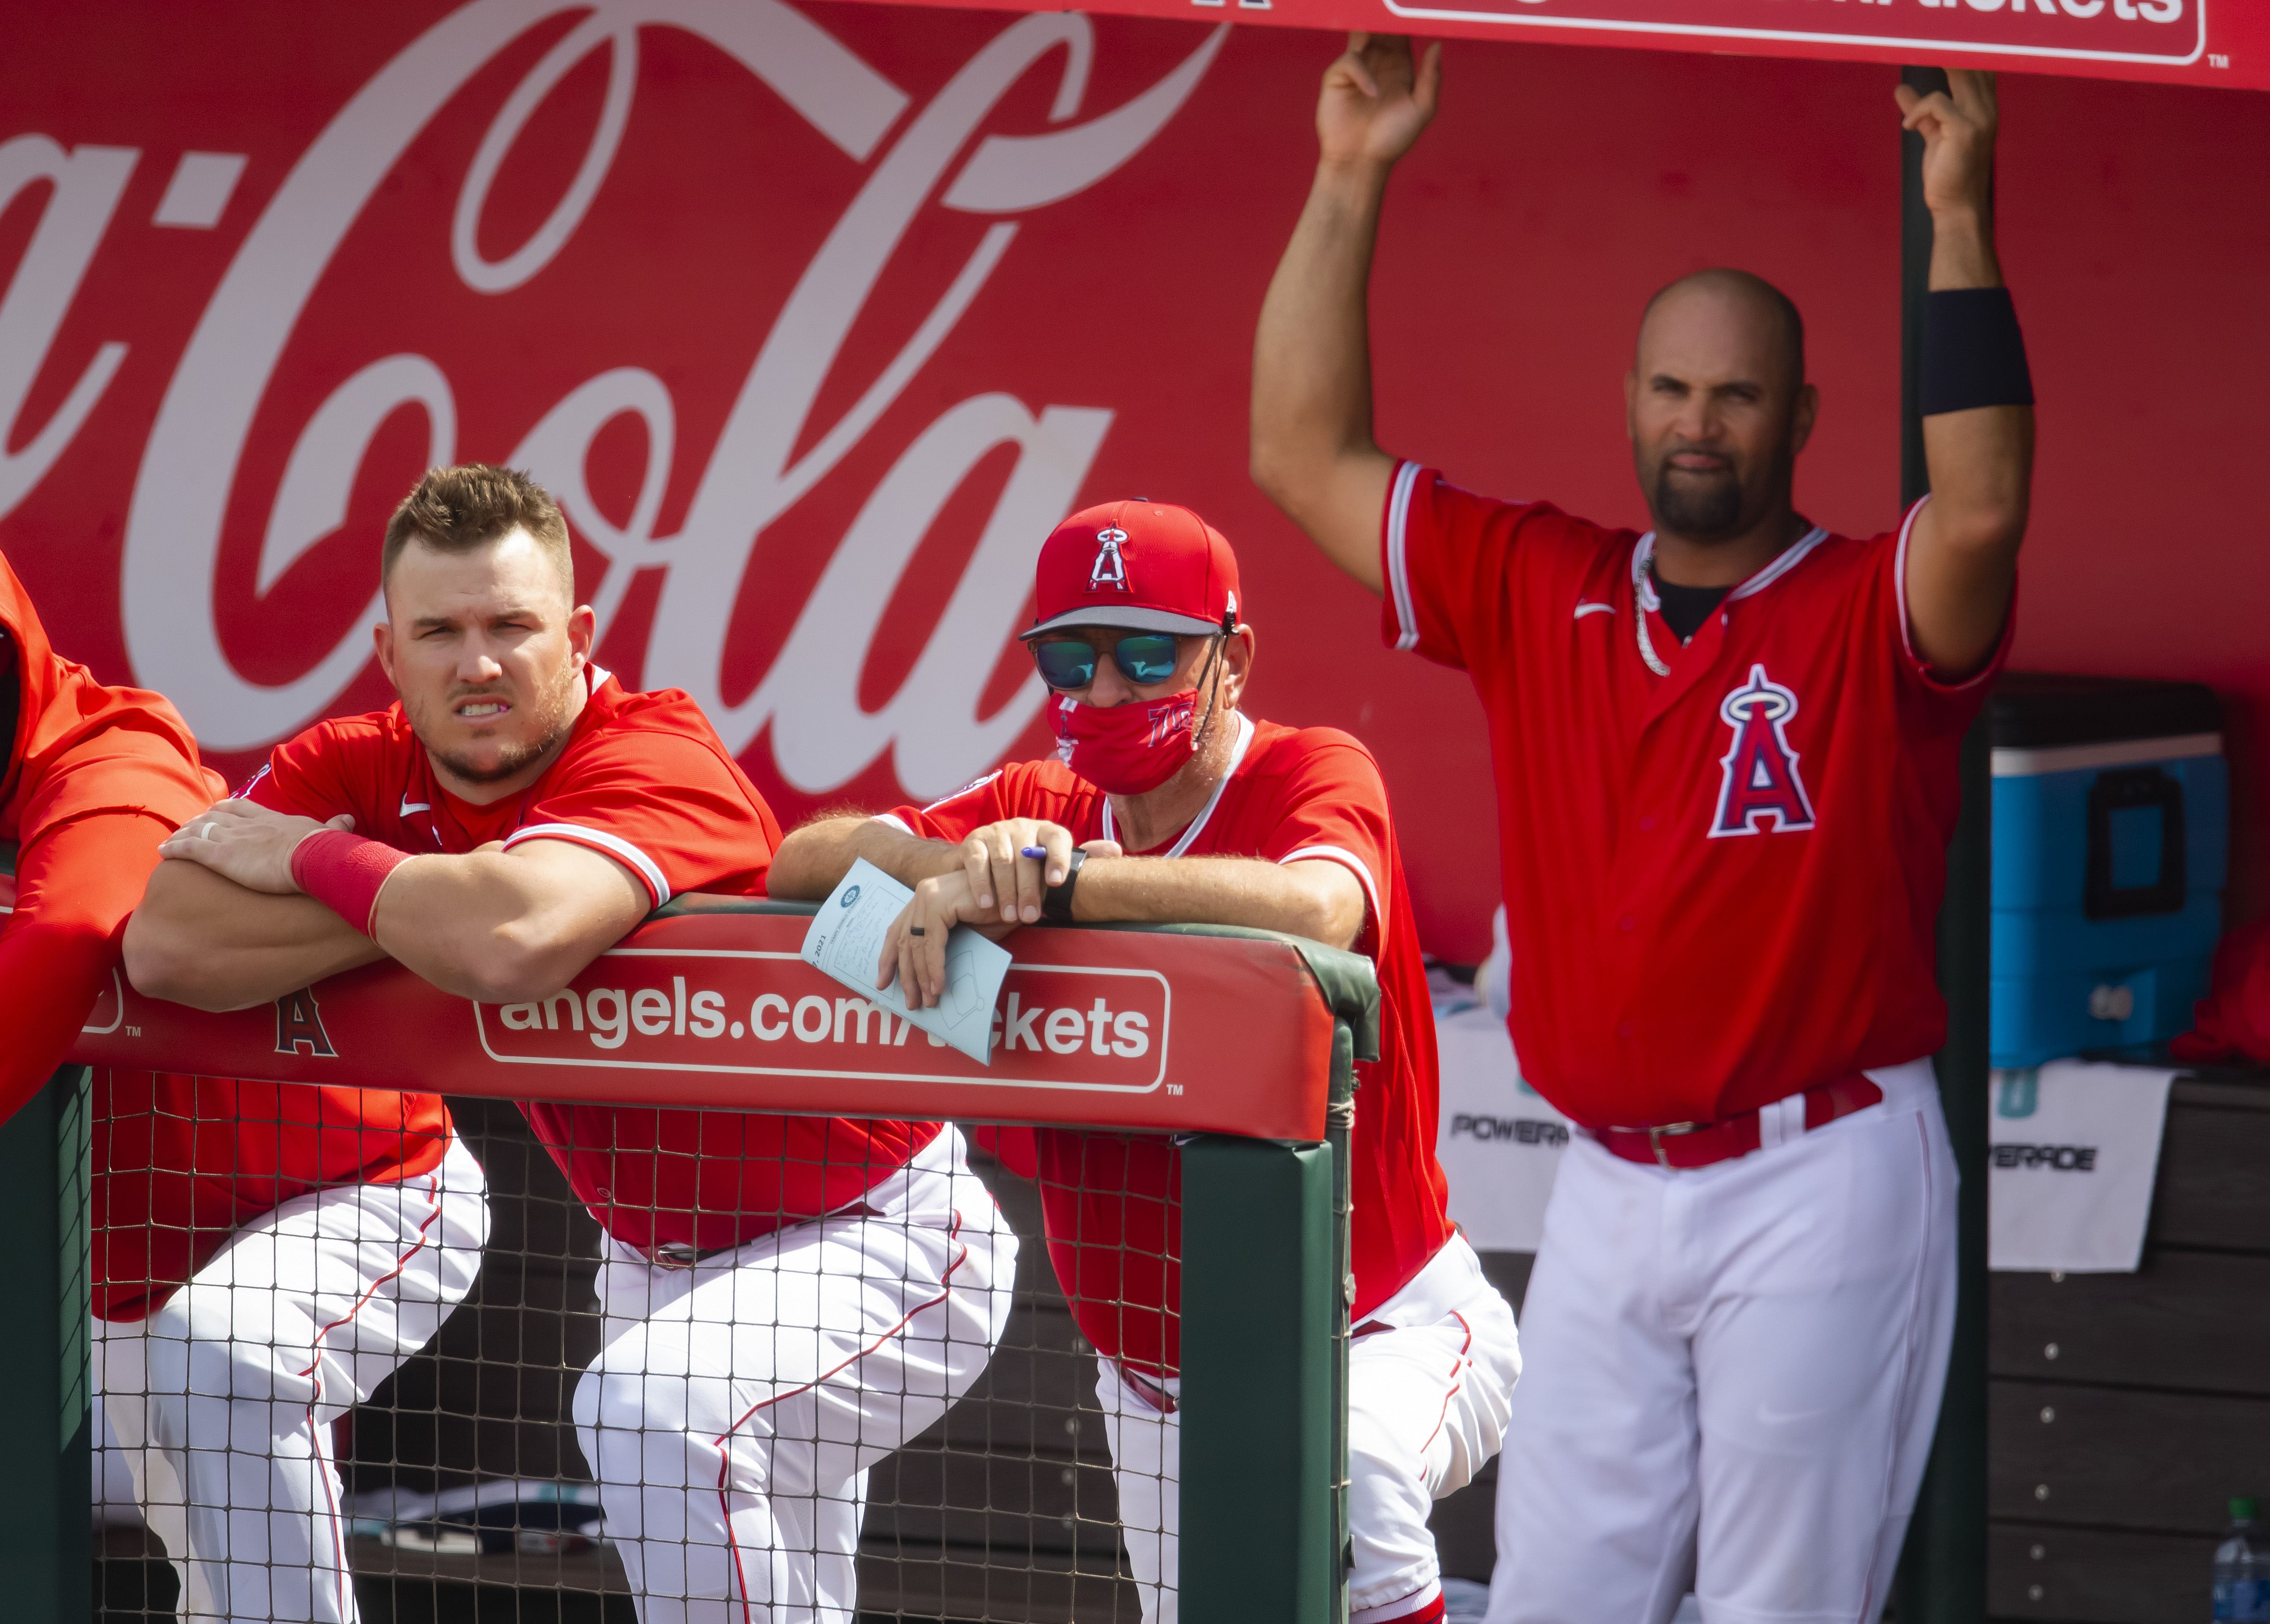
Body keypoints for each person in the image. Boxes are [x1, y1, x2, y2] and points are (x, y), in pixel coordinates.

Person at [1251, 37, 2033, 1623]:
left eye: (1736, 392)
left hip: (1820, 1168)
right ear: (1626, 402)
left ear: (1799, 411)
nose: (1698, 421)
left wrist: (1957, 215)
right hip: (1603, 1177)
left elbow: (1983, 514)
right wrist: (1349, 173)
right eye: (1671, 387)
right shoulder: (1543, 582)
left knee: (1777, 1610)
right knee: (1555, 1602)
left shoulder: (1858, 608)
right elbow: (1298, 454)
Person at [126, 464, 1017, 1624]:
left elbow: (507, 937)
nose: (477, 662)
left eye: (511, 625)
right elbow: (167, 945)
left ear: (580, 636)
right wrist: (412, 914)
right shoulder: (362, 765)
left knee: (648, 1413)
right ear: (390, 653)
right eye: (439, 631)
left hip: (874, 1228)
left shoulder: (656, 753)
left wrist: (310, 863)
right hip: (654, 1251)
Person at [770, 498, 1520, 1624]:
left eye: (1147, 652)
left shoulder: (1311, 770)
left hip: (1380, 1329)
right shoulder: (1034, 810)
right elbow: (800, 859)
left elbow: (1316, 906)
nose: (1107, 687)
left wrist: (1062, 892)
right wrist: (944, 865)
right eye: (1074, 653)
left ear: (1232, 657)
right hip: (1158, 1394)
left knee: (1350, 1478)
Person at [0, 543, 476, 1624]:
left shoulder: (110, 761)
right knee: (219, 1591)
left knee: (225, 1363)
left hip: (366, 1187)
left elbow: (68, 930)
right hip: (129, 1282)